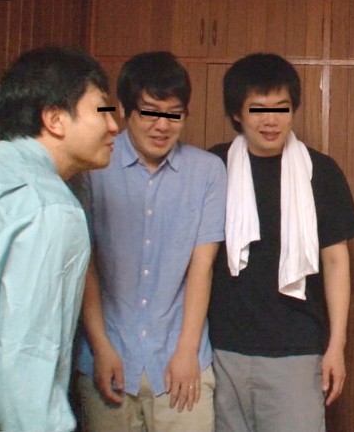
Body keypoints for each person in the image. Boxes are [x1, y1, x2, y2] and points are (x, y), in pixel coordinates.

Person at [0, 47, 119, 431]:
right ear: (55, 119)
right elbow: (24, 363)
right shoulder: (50, 206)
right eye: (102, 110)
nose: (114, 126)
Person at [207, 53, 354, 432]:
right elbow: (197, 259)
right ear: (237, 113)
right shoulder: (214, 167)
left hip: (297, 350)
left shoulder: (321, 172)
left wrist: (336, 346)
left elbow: (336, 261)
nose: (271, 119)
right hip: (222, 349)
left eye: (281, 107)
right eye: (258, 109)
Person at [75, 51, 226, 431]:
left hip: (179, 358)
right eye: (149, 113)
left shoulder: (207, 171)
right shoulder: (94, 166)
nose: (162, 126)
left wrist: (187, 350)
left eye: (174, 114)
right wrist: (100, 346)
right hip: (107, 355)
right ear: (124, 111)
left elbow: (202, 266)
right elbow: (85, 264)